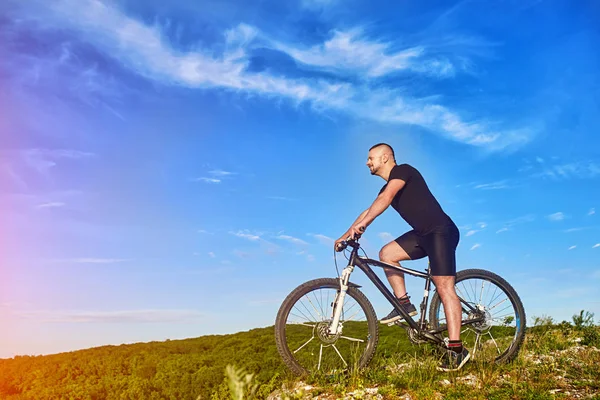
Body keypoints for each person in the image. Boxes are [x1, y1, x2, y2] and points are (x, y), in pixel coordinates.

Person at [334, 143, 469, 372]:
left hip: (441, 231)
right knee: (387, 253)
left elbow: (387, 198)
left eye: (371, 158)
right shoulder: (385, 190)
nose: (367, 162)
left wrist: (364, 225)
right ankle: (404, 304)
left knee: (443, 285)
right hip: (421, 235)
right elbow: (369, 210)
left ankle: (457, 349)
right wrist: (346, 234)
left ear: (385, 157)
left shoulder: (403, 171)